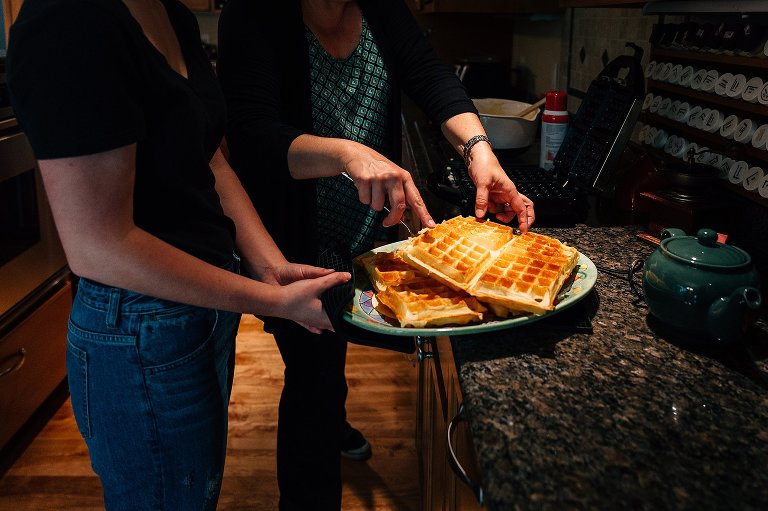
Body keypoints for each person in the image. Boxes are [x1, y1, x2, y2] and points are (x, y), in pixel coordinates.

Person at [5, 0, 351, 509]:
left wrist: (270, 265)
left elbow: (208, 157)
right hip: (139, 333)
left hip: (200, 312)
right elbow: (98, 245)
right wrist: (270, 300)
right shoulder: (68, 19)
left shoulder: (167, 9)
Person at [217, 0, 536, 509]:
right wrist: (347, 152)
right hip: (293, 240)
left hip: (369, 235)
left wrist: (481, 152)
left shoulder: (381, 7)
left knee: (330, 360)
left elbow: (431, 76)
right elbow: (252, 136)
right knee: (313, 377)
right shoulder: (253, 13)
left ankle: (333, 415)